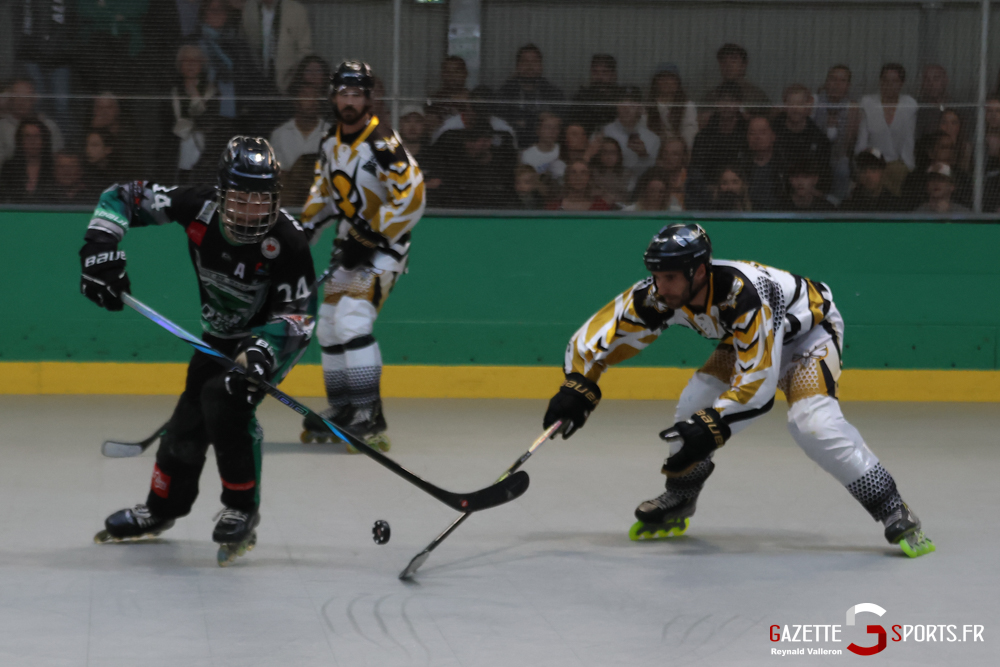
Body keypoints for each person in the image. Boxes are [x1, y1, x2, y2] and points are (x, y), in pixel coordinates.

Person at [541, 223, 935, 558]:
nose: (661, 287)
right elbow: (596, 336)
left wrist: (714, 425)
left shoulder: (742, 295)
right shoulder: (659, 295)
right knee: (694, 404)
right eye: (656, 276)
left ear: (699, 271)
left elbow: (758, 386)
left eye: (670, 277)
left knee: (813, 424)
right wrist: (578, 385)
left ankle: (892, 507)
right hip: (752, 337)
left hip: (808, 335)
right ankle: (681, 495)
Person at [84, 137, 317, 564]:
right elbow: (123, 195)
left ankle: (241, 508)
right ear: (222, 194)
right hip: (216, 337)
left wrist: (263, 350)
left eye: (260, 201)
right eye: (240, 199)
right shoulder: (197, 207)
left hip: (267, 341)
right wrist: (100, 249)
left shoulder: (288, 240)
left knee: (226, 401)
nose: (250, 212)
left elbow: (299, 317)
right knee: (187, 423)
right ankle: (162, 509)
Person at [300, 61, 425, 451]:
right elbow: (323, 193)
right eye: (343, 94)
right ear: (333, 97)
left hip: (385, 249)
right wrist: (302, 232)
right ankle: (344, 409)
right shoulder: (329, 141)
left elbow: (413, 196)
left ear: (369, 98)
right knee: (328, 325)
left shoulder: (383, 142)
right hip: (348, 247)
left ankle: (368, 414)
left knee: (353, 317)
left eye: (357, 94)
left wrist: (372, 233)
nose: (349, 101)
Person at [855, 63, 917, 195]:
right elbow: (862, 140)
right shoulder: (868, 103)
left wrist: (909, 167)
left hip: (896, 164)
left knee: (896, 175)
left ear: (901, 83)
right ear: (880, 81)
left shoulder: (909, 105)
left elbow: (909, 141)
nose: (889, 85)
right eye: (885, 80)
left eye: (894, 81)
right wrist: (861, 161)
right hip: (872, 162)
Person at [496, 44, 565, 147]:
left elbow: (559, 122)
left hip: (546, 147)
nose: (530, 67)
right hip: (513, 147)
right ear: (517, 66)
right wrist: (538, 119)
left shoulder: (553, 93)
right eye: (525, 62)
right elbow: (503, 121)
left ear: (541, 66)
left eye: (534, 62)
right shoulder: (505, 92)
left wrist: (524, 121)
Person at [812, 64, 860, 203]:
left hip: (838, 155)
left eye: (842, 81)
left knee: (842, 168)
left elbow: (850, 144)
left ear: (848, 85)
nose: (837, 84)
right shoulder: (814, 101)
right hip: (814, 154)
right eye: (833, 79)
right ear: (826, 82)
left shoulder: (852, 107)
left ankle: (837, 205)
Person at [601, 86, 660, 190]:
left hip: (641, 191)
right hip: (607, 189)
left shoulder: (653, 139)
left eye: (632, 102)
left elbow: (654, 175)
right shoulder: (603, 134)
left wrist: (644, 155)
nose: (626, 107)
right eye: (622, 102)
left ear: (640, 108)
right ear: (616, 106)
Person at [0, 119, 55, 204]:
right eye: (27, 136)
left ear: (44, 140)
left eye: (37, 136)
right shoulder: (9, 168)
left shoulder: (53, 167)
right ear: (20, 141)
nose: (32, 141)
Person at [646, 66, 698, 151]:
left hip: (679, 150)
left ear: (677, 82)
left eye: (671, 78)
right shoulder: (648, 106)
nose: (666, 82)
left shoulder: (687, 106)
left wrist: (686, 151)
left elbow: (689, 131)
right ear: (656, 83)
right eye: (662, 78)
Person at [570, 53, 624, 134]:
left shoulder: (622, 97)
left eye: (604, 72)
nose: (599, 77)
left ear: (614, 75)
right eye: (595, 72)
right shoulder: (581, 97)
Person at [545, 158, 612, 211]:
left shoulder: (600, 206)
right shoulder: (554, 207)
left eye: (583, 173)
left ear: (589, 178)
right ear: (567, 178)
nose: (578, 177)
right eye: (573, 172)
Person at [520, 112, 566, 181]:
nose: (552, 131)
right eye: (548, 127)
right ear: (538, 130)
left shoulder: (563, 151)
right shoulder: (526, 155)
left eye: (556, 128)